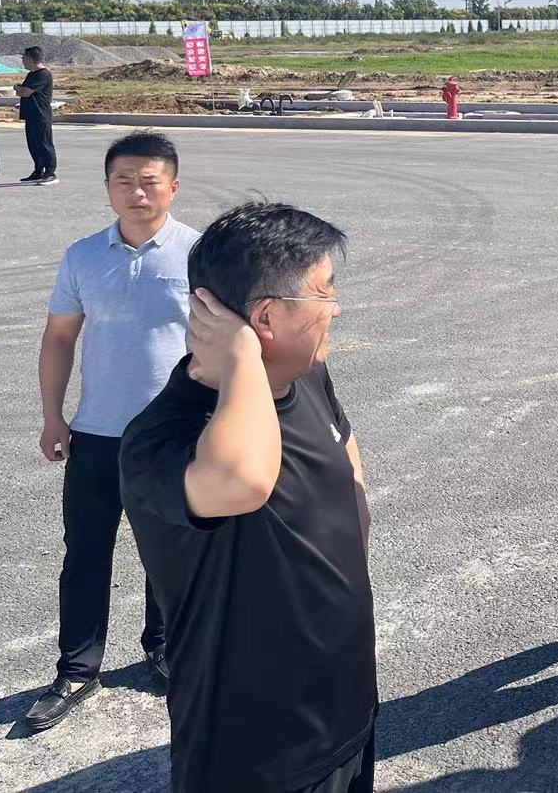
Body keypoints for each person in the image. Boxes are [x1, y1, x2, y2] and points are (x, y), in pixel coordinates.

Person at [120, 203, 375, 793]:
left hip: (346, 714)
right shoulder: (160, 440)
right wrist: (239, 356)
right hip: (256, 755)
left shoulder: (306, 375)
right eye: (324, 292)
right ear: (264, 318)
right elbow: (244, 482)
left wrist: (356, 522)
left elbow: (343, 442)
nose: (336, 308)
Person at [23, 131, 196, 731]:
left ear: (173, 186)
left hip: (175, 434)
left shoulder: (200, 255)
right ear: (107, 188)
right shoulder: (83, 256)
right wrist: (53, 415)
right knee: (85, 553)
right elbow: (59, 337)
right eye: (123, 180)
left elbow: (229, 345)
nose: (136, 192)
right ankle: (77, 669)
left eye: (149, 181)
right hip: (96, 433)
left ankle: (166, 648)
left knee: (169, 550)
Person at [15, 44, 58, 183]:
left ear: (31, 59)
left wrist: (19, 88)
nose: (22, 60)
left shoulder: (43, 74)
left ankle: (50, 173)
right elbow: (22, 90)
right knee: (33, 145)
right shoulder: (31, 74)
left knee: (45, 144)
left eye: (24, 57)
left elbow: (25, 92)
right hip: (30, 115)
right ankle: (38, 171)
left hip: (41, 115)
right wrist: (20, 89)